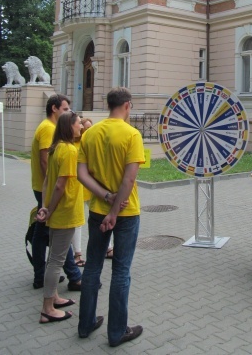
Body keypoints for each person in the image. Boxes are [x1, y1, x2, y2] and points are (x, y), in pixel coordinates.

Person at [77, 87, 145, 347]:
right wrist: (115, 210)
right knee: (121, 271)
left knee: (93, 267)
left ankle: (85, 324)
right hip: (125, 213)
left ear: (109, 105)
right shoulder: (131, 134)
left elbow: (82, 174)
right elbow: (129, 179)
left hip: (97, 209)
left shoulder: (90, 133)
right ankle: (117, 332)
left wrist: (105, 197)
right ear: (127, 105)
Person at [37, 112, 85, 324]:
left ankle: (54, 297)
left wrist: (44, 206)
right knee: (56, 260)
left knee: (54, 258)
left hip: (56, 211)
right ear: (69, 127)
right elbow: (59, 185)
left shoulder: (55, 148)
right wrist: (50, 209)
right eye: (78, 124)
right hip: (64, 212)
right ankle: (47, 309)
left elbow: (47, 180)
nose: (81, 127)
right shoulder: (69, 150)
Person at [30, 94, 82, 291]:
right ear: (54, 109)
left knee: (49, 236)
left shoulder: (56, 140)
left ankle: (51, 275)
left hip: (47, 191)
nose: (68, 112)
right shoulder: (49, 130)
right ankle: (61, 277)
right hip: (51, 193)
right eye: (65, 109)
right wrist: (49, 204)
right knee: (54, 238)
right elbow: (46, 165)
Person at [72, 117, 93, 267]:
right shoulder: (73, 146)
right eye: (85, 128)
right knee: (78, 223)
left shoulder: (90, 145)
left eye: (90, 129)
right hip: (78, 188)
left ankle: (108, 248)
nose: (87, 131)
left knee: (98, 218)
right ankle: (77, 254)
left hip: (91, 189)